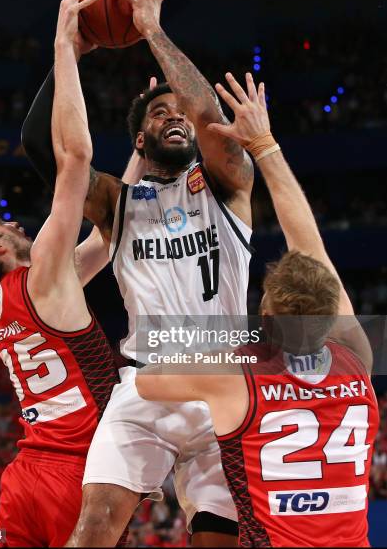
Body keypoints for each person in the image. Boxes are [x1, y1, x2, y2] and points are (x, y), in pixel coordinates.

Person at [22, 0, 254, 547]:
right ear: (141, 143)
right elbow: (45, 150)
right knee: (93, 532)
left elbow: (209, 117)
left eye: (179, 114)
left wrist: (153, 32)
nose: (174, 116)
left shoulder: (228, 185)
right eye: (158, 115)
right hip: (146, 385)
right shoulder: (118, 204)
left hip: (225, 389)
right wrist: (65, 52)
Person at [0, 0, 139, 548]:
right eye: (4, 225)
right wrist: (65, 48)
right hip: (78, 476)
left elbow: (108, 240)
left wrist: (140, 162)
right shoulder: (43, 272)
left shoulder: (2, 306)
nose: (17, 224)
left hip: (25, 478)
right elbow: (74, 157)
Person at [136, 73, 379, 548]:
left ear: (265, 320)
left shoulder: (234, 374)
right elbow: (311, 245)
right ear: (332, 318)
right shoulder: (357, 356)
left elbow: (147, 379)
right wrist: (264, 144)